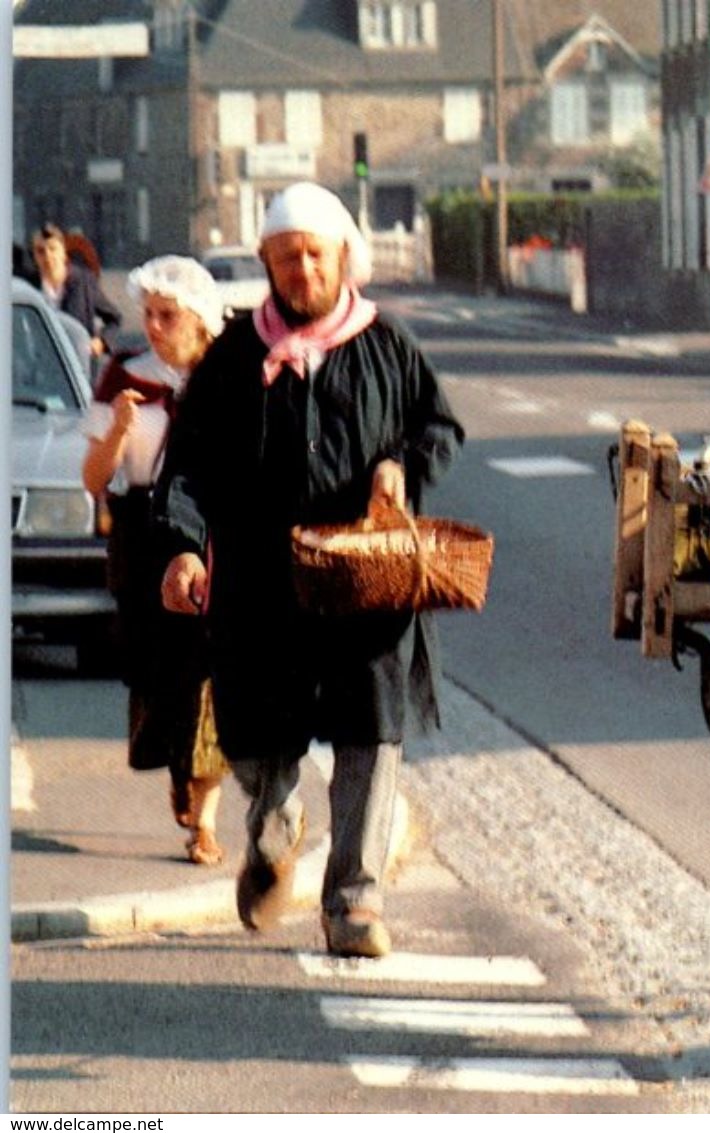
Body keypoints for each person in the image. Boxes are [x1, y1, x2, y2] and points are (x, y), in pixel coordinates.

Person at [152, 182, 465, 959]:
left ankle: (354, 902)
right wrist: (185, 545)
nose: (301, 271)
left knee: (371, 734)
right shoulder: (230, 360)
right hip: (261, 589)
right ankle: (273, 823)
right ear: (265, 262)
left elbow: (439, 424)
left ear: (342, 258)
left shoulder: (386, 345)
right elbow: (186, 463)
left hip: (365, 585)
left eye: (313, 256)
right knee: (259, 738)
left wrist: (400, 464)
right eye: (285, 258)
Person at [82, 256, 231, 866]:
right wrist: (118, 431)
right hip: (142, 537)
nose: (154, 326)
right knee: (158, 672)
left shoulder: (229, 379)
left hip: (213, 535)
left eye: (167, 316)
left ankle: (207, 820)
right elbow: (94, 478)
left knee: (211, 672)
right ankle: (180, 768)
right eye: (148, 314)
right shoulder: (123, 375)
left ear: (198, 320)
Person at [31, 223, 121, 356]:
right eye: (40, 251)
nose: (47, 256)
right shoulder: (29, 286)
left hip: (77, 363)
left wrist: (101, 342)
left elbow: (114, 319)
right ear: (34, 256)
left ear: (63, 252)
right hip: (40, 363)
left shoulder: (84, 283)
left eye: (52, 249)